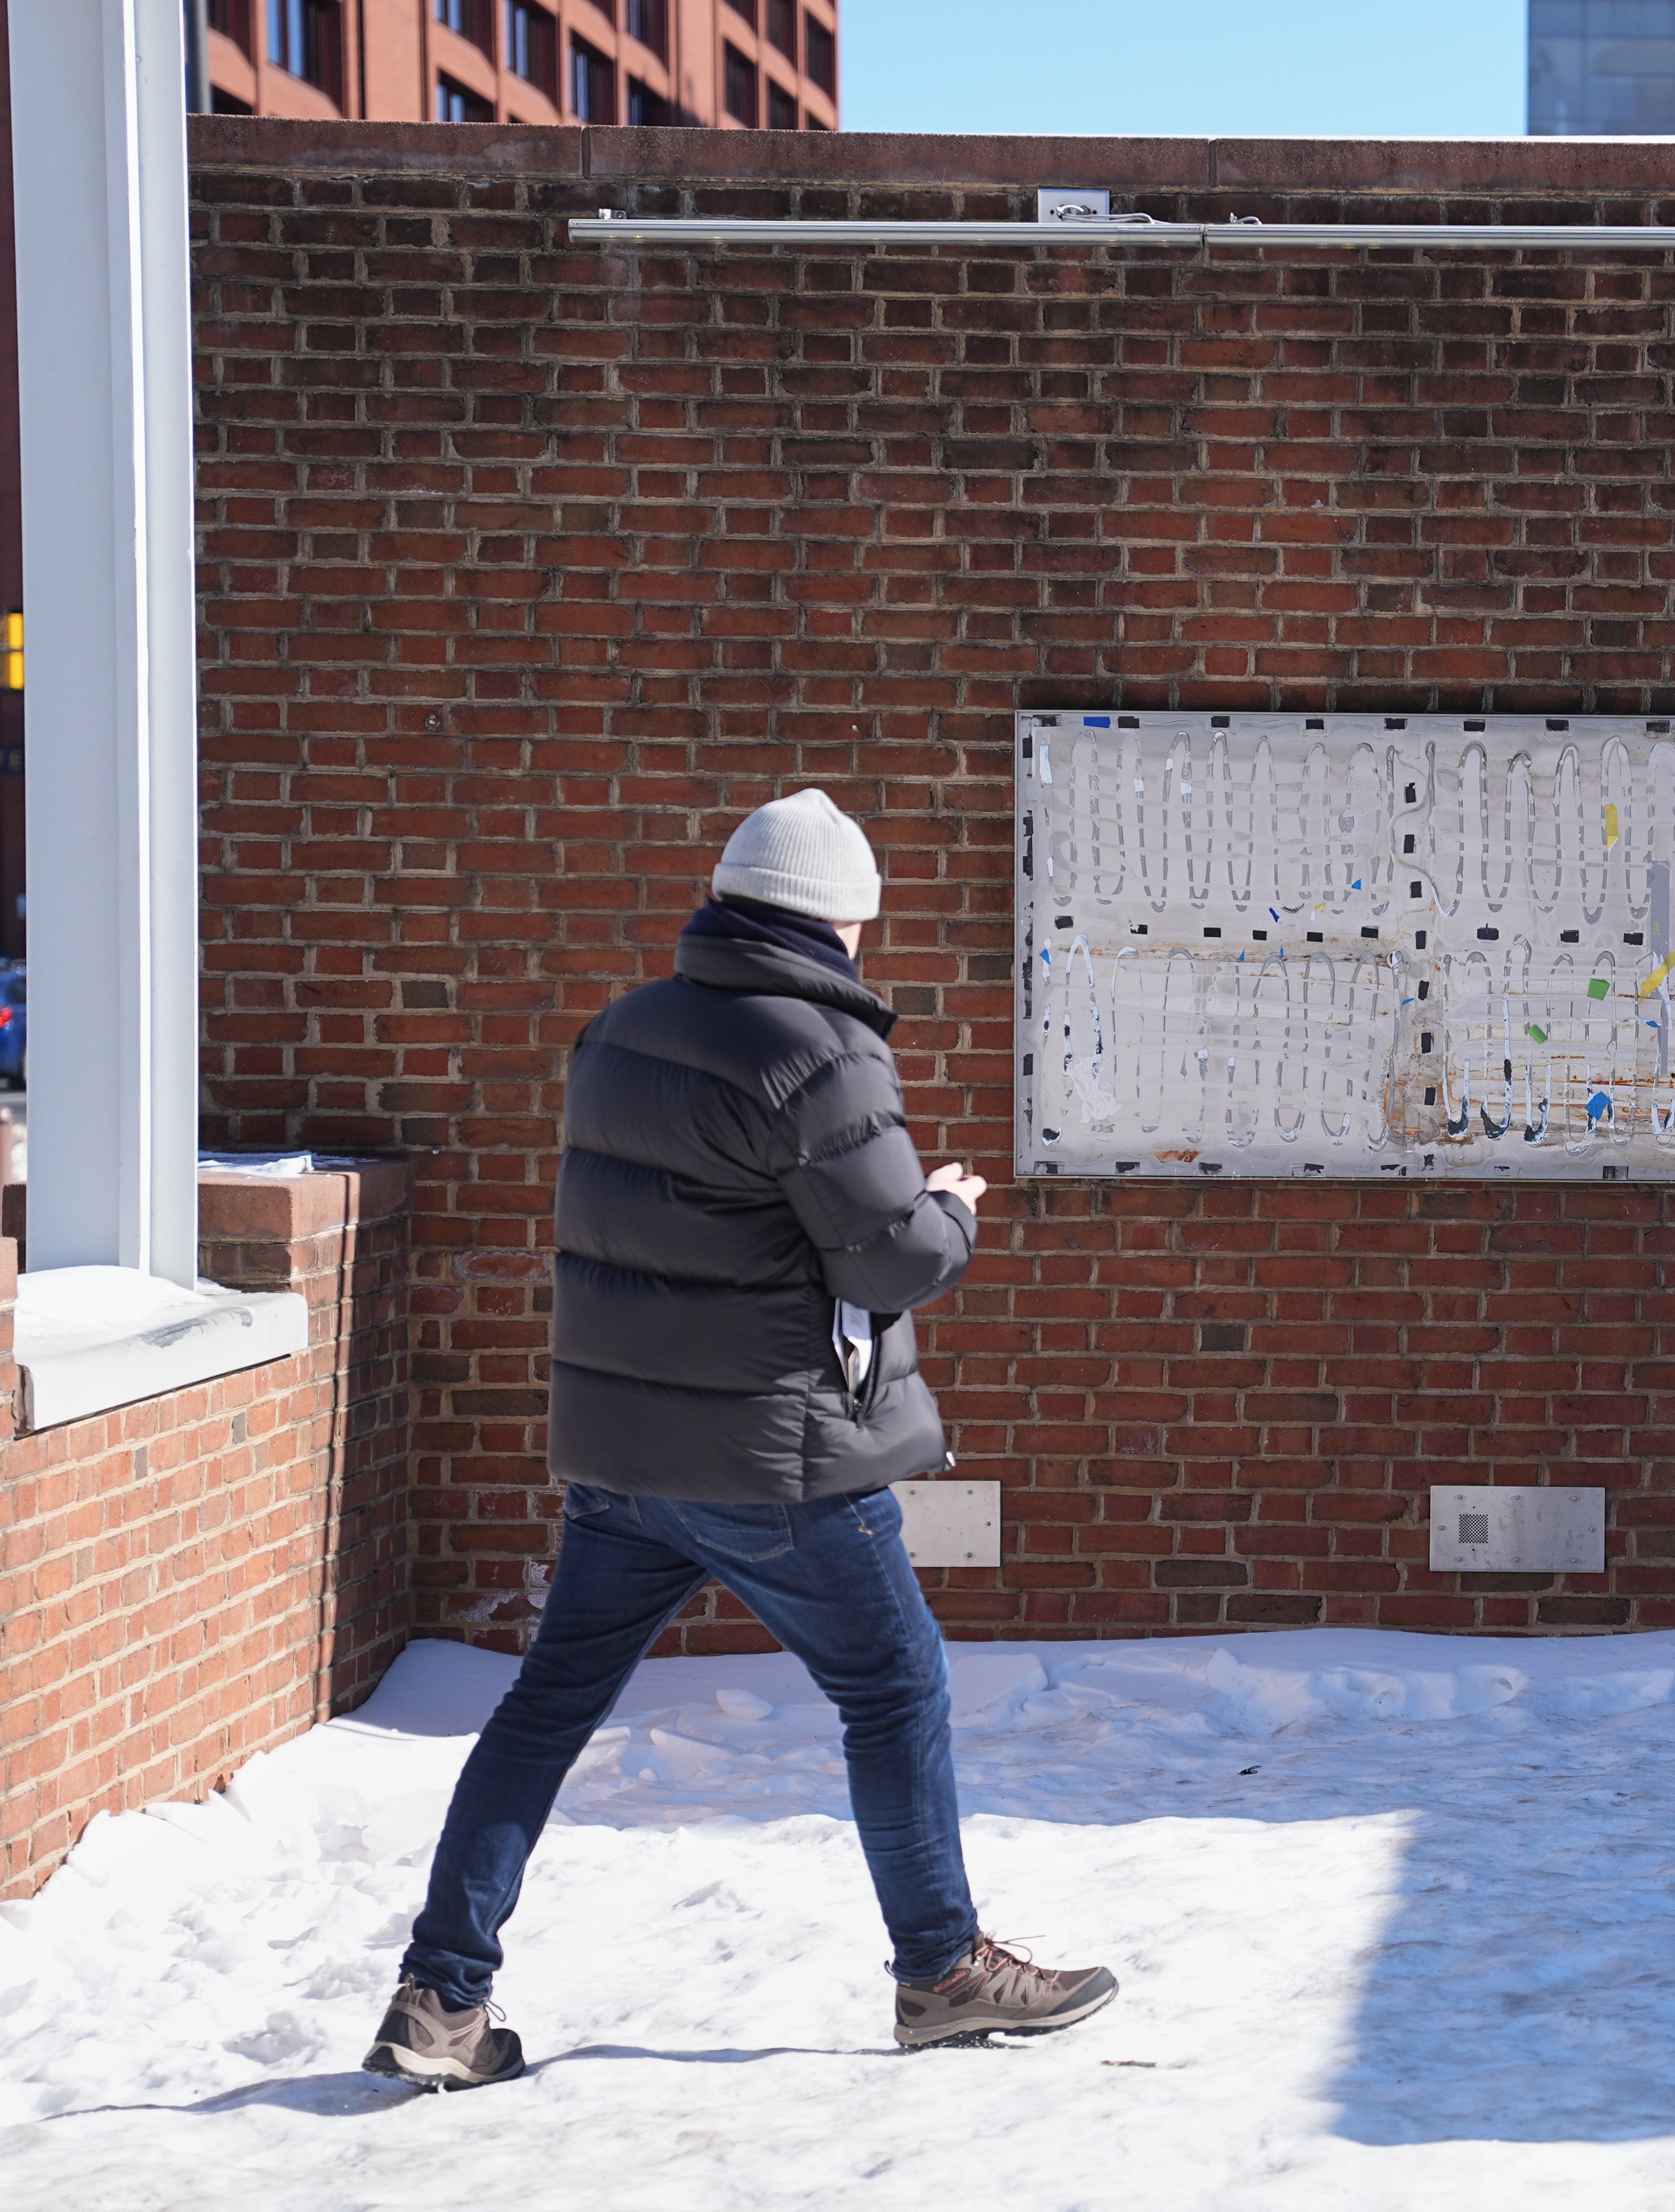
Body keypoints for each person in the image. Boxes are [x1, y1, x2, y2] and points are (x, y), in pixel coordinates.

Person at [365, 789, 1116, 2090]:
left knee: (544, 1712)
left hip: (622, 1456)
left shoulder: (622, 1031)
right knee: (895, 1691)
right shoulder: (821, 1051)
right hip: (773, 1457)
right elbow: (887, 1260)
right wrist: (951, 1210)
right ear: (839, 922)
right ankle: (941, 1972)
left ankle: (439, 2000)